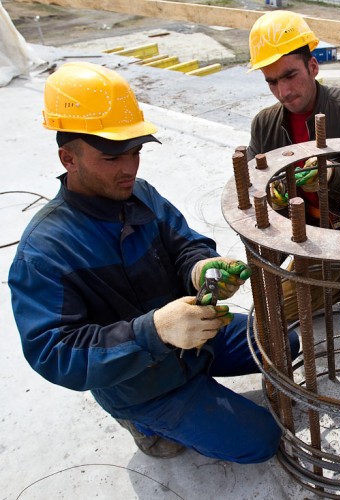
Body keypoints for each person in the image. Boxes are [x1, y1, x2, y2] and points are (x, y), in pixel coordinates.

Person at [8, 62, 299, 462]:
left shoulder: (141, 195)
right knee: (262, 442)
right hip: (141, 383)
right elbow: (54, 352)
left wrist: (201, 268)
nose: (129, 168)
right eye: (112, 158)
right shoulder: (45, 251)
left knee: (289, 342)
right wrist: (155, 331)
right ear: (68, 158)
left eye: (135, 152)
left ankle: (201, 374)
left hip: (198, 341)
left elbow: (185, 244)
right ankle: (141, 422)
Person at [247, 10, 340, 319]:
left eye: (290, 75)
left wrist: (330, 175)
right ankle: (339, 281)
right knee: (272, 313)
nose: (283, 92)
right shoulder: (264, 124)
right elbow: (252, 179)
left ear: (312, 66)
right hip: (315, 238)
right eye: (272, 82)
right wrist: (270, 192)